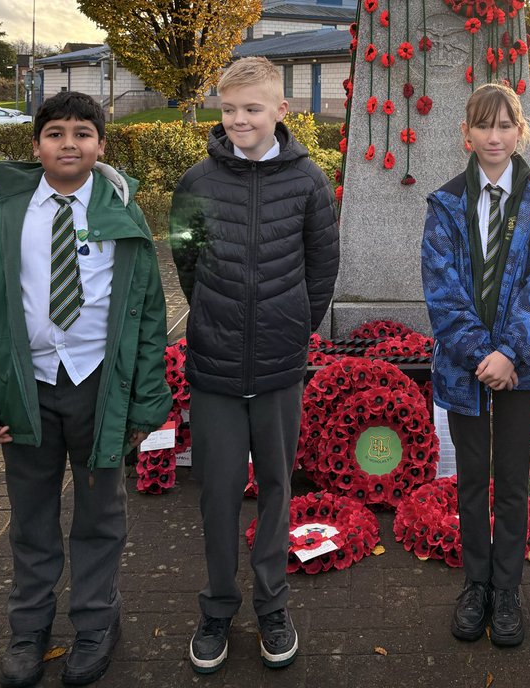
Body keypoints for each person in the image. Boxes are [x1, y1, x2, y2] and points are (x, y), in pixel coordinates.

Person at [0, 91, 171, 688]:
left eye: (83, 133)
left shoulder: (122, 214)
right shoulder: (6, 217)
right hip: (27, 389)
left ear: (101, 144)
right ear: (36, 145)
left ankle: (96, 621)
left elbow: (146, 313)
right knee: (32, 517)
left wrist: (146, 400)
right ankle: (29, 628)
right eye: (56, 133)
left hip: (99, 387)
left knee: (99, 513)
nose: (70, 143)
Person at [170, 57, 339, 675]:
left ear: (280, 112)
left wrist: (295, 327)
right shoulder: (196, 182)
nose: (239, 119)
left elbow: (322, 266)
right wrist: (216, 319)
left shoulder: (308, 183)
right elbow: (187, 263)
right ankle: (217, 607)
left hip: (278, 367)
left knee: (275, 486)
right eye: (230, 108)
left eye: (252, 108)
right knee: (216, 493)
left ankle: (272, 604)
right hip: (214, 366)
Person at [422, 83, 530, 647]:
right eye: (484, 126)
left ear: (520, 131)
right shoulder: (445, 203)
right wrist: (481, 355)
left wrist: (510, 352)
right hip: (464, 370)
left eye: (505, 125)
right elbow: (442, 289)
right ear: (466, 134)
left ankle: (507, 589)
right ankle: (475, 584)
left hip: (521, 368)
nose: (495, 136)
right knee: (471, 484)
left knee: (511, 481)